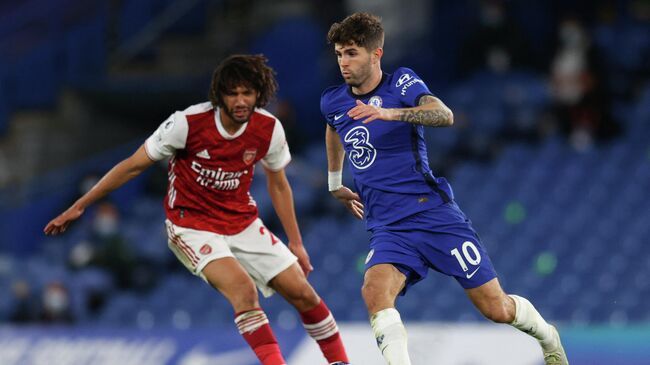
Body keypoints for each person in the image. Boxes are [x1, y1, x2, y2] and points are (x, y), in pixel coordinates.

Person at [45, 54, 349, 365]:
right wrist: (80, 205)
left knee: (304, 294)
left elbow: (280, 185)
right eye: (233, 93)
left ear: (260, 94)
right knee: (244, 291)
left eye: (248, 92)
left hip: (242, 222)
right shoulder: (187, 124)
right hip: (191, 226)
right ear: (220, 95)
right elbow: (132, 166)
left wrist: (296, 242)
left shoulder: (269, 129)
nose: (241, 100)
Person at [321, 13, 568, 365]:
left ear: (376, 54)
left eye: (352, 53)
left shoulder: (401, 84)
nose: (344, 62)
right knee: (374, 291)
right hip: (388, 227)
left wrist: (391, 114)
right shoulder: (333, 100)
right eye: (339, 54)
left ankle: (548, 336)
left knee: (495, 308)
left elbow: (443, 114)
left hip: (432, 214)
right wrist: (335, 182)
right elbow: (333, 128)